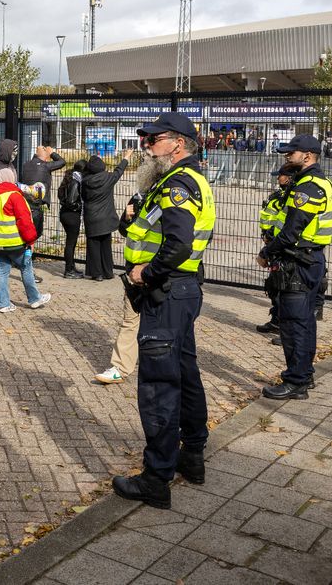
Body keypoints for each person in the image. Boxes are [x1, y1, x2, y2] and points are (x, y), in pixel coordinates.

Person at [110, 112, 215, 507]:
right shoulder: (169, 182)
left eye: (153, 139)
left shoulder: (179, 185)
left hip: (166, 293)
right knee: (185, 373)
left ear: (178, 143)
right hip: (179, 293)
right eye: (145, 138)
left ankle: (156, 479)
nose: (146, 145)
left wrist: (146, 275)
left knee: (158, 385)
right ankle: (192, 456)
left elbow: (178, 245)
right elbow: (148, 232)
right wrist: (129, 221)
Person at [257, 135, 332, 401]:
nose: (287, 156)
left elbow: (292, 231)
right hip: (308, 259)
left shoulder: (309, 186)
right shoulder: (310, 182)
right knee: (304, 322)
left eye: (292, 152)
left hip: (299, 261)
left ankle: (296, 382)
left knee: (294, 325)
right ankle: (304, 374)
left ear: (309, 155)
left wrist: (267, 252)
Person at [94, 191, 144, 385]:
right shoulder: (139, 197)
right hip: (134, 274)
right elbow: (125, 230)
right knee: (130, 319)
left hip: (159, 272)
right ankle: (120, 368)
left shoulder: (169, 195)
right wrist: (126, 217)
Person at [0, 167, 51, 313]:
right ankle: (34, 299)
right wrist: (30, 240)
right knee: (26, 268)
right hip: (14, 242)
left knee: (2, 271)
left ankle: (4, 304)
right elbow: (24, 221)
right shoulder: (14, 196)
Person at [81, 152, 132, 281]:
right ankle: (108, 272)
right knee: (106, 245)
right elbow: (119, 171)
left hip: (91, 217)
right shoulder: (108, 178)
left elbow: (83, 197)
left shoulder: (85, 181)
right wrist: (125, 157)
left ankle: (97, 273)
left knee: (93, 246)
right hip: (106, 218)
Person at [256, 167, 292, 335]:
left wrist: (269, 241)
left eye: (281, 176)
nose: (278, 179)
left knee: (281, 286)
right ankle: (277, 321)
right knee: (274, 285)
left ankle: (283, 327)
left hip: (278, 243)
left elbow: (283, 223)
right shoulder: (280, 196)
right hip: (272, 241)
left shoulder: (287, 198)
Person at [19, 145, 68, 237]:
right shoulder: (46, 166)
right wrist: (52, 153)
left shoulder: (26, 165)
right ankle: (29, 249)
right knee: (35, 233)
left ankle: (27, 248)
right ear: (46, 157)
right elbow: (62, 162)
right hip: (37, 204)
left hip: (25, 201)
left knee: (26, 230)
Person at [57, 159, 86, 278]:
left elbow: (62, 197)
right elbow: (71, 201)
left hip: (65, 214)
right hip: (71, 215)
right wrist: (80, 205)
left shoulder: (68, 178)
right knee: (70, 243)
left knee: (71, 243)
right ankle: (69, 270)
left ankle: (71, 266)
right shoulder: (76, 182)